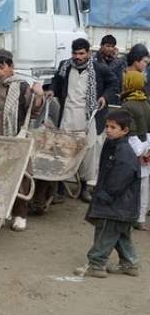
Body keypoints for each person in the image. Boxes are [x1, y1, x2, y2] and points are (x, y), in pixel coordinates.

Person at [48, 38, 116, 202]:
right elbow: (56, 82)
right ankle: (60, 188)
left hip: (89, 117)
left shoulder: (99, 69)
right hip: (68, 116)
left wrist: (104, 98)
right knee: (64, 152)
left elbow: (113, 84)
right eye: (75, 53)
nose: (77, 57)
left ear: (88, 53)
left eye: (81, 53)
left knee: (88, 154)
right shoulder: (65, 66)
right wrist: (51, 90)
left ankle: (85, 188)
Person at [77, 109, 142, 278]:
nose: (108, 130)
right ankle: (129, 263)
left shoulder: (124, 152)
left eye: (113, 127)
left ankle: (96, 264)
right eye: (107, 126)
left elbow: (120, 178)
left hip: (116, 204)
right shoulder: (114, 145)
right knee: (120, 234)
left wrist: (105, 195)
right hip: (122, 205)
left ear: (125, 130)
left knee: (105, 233)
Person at [0, 49, 44, 232]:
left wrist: (39, 95)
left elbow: (33, 111)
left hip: (17, 138)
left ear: (11, 67)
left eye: (2, 67)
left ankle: (20, 214)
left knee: (21, 176)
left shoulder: (23, 86)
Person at [121, 44, 150, 230]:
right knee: (144, 185)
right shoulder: (146, 104)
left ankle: (129, 217)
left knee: (130, 185)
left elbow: (127, 132)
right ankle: (140, 218)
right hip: (146, 146)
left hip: (133, 148)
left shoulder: (127, 105)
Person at [95, 34, 127, 103]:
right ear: (101, 46)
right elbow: (107, 70)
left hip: (113, 96)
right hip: (98, 96)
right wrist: (116, 60)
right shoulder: (96, 60)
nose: (110, 49)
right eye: (107, 46)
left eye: (112, 46)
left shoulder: (117, 61)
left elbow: (120, 79)